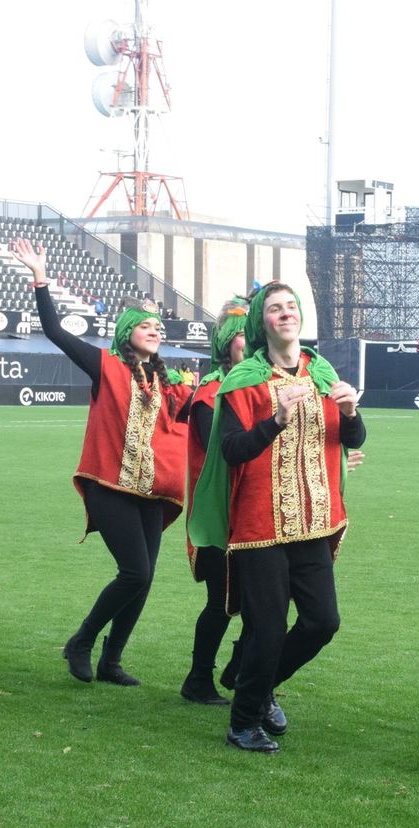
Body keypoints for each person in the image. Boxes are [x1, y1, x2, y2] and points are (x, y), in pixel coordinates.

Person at [189, 282, 365, 753]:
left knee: (322, 623)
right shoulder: (242, 381)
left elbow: (351, 436)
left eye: (291, 307)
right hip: (260, 526)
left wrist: (350, 413)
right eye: (274, 309)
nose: (285, 314)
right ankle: (242, 723)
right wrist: (276, 421)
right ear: (260, 322)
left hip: (314, 520)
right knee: (265, 630)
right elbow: (229, 450)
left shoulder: (321, 372)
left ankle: (256, 683)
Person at [10, 237, 189, 686]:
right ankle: (82, 641)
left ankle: (112, 661)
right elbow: (55, 332)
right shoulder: (106, 365)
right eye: (145, 325)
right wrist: (40, 278)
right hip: (109, 485)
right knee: (135, 572)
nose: (155, 330)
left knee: (143, 580)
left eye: (158, 327)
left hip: (150, 491)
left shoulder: (168, 382)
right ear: (126, 331)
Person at [179, 298, 251, 707]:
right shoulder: (211, 392)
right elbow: (219, 449)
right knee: (222, 601)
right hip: (220, 515)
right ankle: (199, 678)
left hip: (252, 509)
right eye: (242, 335)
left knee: (266, 596)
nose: (248, 341)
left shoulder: (256, 383)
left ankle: (238, 666)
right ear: (226, 343)